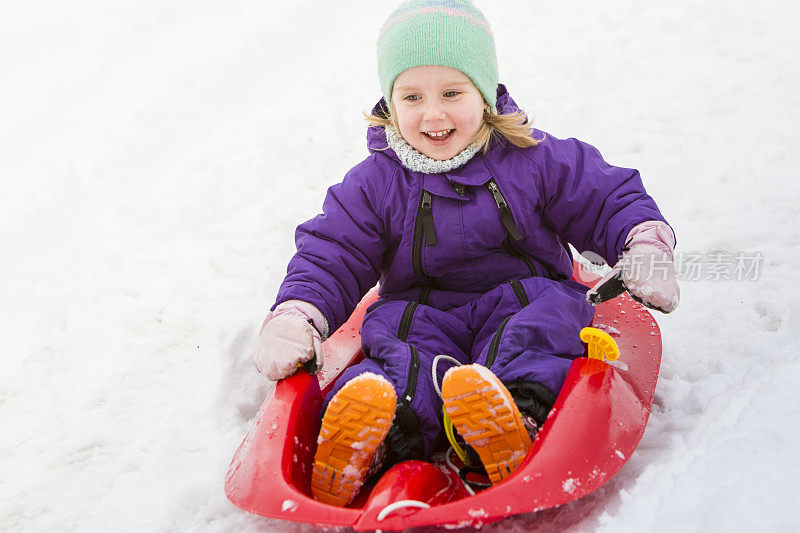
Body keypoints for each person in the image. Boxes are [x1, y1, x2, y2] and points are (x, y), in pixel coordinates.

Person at [251, 0, 680, 507]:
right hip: (424, 310)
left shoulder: (535, 159)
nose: (433, 113)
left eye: (452, 92)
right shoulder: (376, 183)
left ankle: (512, 415)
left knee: (543, 325)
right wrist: (299, 313)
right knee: (400, 348)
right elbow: (333, 252)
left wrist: (645, 242)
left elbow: (607, 197)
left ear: (484, 92)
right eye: (412, 96)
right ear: (390, 102)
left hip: (524, 297)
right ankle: (375, 431)